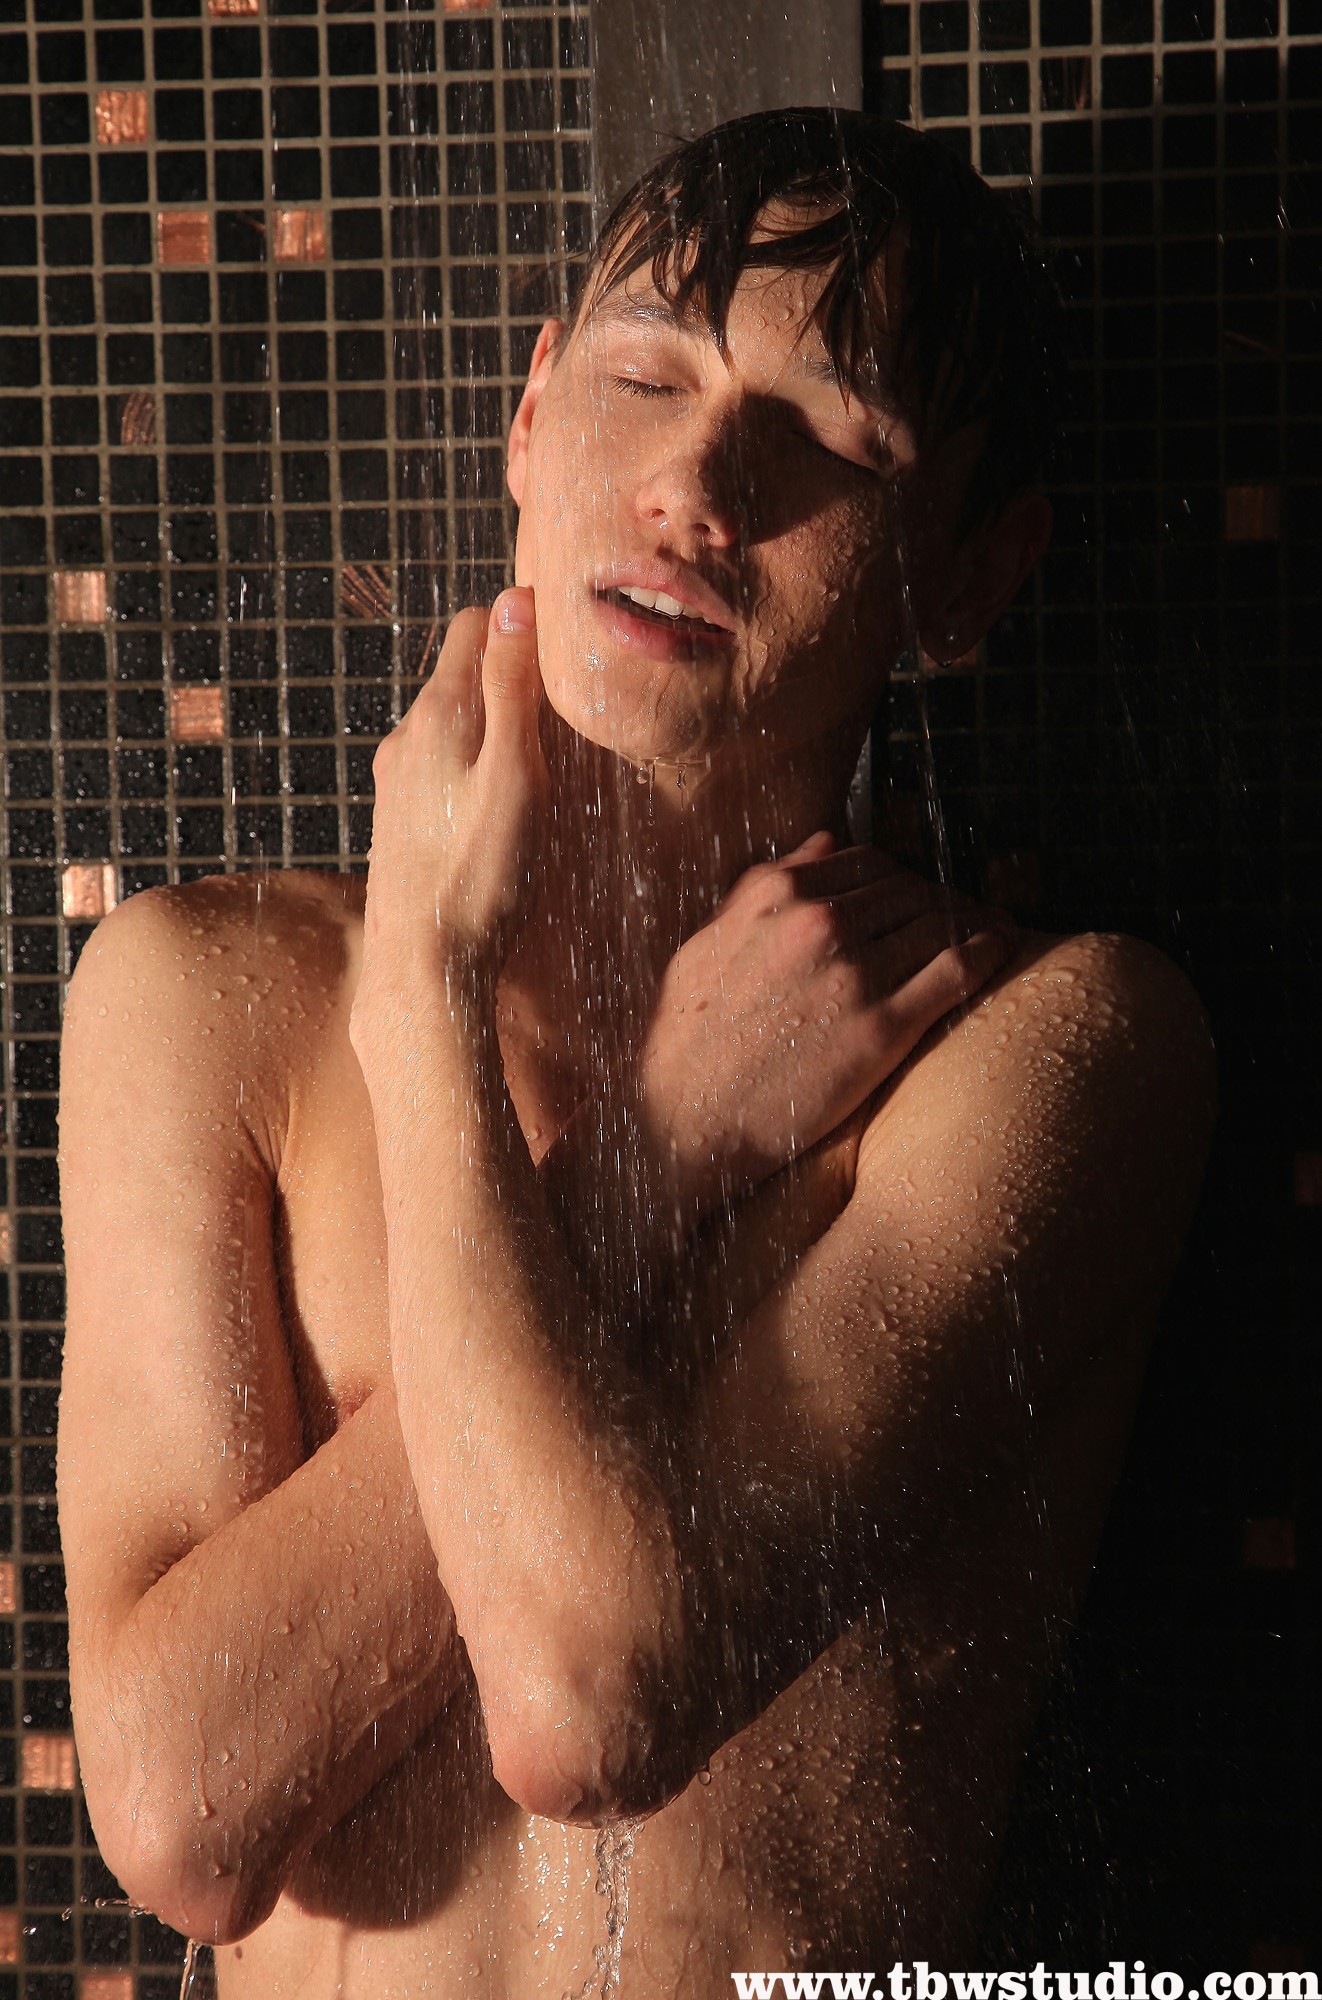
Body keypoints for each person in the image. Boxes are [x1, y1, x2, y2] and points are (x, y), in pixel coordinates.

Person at [56, 109, 1215, 1994]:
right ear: (528, 417)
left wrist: (435, 1023)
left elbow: (592, 1701)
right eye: (643, 374)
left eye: (830, 433)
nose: (698, 480)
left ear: (969, 575)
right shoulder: (209, 1002)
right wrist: (617, 1120)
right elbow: (182, 1816)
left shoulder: (1050, 1054)